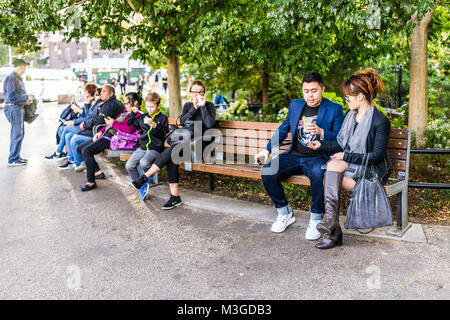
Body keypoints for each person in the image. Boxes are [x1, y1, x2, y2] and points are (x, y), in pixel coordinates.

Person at [307, 68, 392, 249]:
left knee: (329, 176)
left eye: (348, 96)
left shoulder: (380, 121)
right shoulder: (350, 116)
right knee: (333, 166)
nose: (347, 100)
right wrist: (321, 144)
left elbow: (376, 157)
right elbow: (340, 144)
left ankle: (332, 230)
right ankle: (331, 226)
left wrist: (346, 156)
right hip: (354, 164)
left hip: (372, 171)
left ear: (360, 96)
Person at [254, 72, 344, 239]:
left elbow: (341, 139)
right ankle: (285, 213)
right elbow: (283, 129)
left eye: (314, 90)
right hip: (294, 155)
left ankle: (316, 219)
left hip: (318, 157)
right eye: (306, 90)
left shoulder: (334, 109)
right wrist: (267, 150)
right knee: (268, 171)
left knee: (318, 175)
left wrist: (321, 131)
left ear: (322, 89)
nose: (310, 95)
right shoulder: (296, 106)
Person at [131, 80, 216, 208]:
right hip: (185, 146)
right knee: (173, 156)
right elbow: (182, 121)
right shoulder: (188, 106)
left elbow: (210, 124)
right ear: (190, 93)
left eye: (201, 92)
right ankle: (175, 196)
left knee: (175, 150)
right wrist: (194, 108)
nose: (198, 95)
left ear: (204, 93)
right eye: (195, 92)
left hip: (201, 149)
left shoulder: (209, 106)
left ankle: (145, 177)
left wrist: (202, 107)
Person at [77, 92, 142, 191]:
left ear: (135, 103)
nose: (125, 105)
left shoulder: (137, 115)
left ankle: (91, 182)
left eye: (127, 103)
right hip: (107, 135)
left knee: (87, 151)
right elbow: (110, 125)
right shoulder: (125, 112)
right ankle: (97, 172)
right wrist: (100, 132)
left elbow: (129, 130)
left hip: (115, 139)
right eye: (124, 103)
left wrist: (114, 123)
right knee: (80, 148)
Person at [63, 84, 123, 170]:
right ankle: (75, 161)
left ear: (111, 93)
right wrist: (88, 104)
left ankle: (80, 163)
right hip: (99, 130)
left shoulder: (109, 104)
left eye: (104, 92)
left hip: (101, 132)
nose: (101, 94)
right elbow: (90, 116)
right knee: (70, 136)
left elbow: (98, 120)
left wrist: (85, 124)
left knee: (75, 139)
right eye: (100, 92)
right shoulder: (104, 103)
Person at [126, 92, 169, 199]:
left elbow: (165, 135)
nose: (149, 109)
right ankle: (142, 184)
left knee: (144, 162)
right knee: (129, 165)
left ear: (158, 105)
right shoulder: (143, 116)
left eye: (152, 106)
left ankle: (147, 178)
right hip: (143, 147)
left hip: (156, 148)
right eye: (147, 106)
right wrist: (132, 113)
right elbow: (130, 123)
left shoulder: (162, 118)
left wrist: (155, 126)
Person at [45, 83, 98, 161]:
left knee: (66, 129)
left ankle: (59, 152)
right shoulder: (90, 101)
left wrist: (74, 121)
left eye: (85, 90)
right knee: (62, 128)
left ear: (88, 92)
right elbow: (86, 115)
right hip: (84, 124)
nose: (83, 92)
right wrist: (83, 106)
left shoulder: (94, 103)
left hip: (86, 127)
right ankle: (67, 155)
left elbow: (87, 117)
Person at [3, 59, 34, 166]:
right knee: (16, 133)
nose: (24, 70)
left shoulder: (16, 78)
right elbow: (11, 97)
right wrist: (26, 97)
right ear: (18, 67)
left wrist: (26, 100)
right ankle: (13, 159)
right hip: (14, 108)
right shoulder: (12, 78)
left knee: (19, 133)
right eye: (22, 67)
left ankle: (16, 157)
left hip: (17, 107)